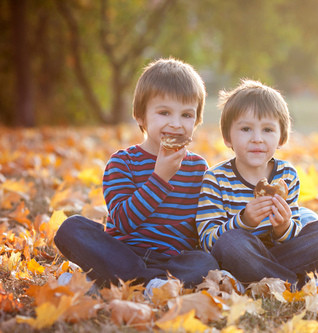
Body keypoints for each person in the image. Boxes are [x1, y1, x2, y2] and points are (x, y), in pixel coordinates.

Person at [54, 58, 219, 295]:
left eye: (187, 115)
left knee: (205, 263)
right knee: (71, 228)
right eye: (164, 112)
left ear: (197, 120)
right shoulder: (122, 162)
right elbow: (122, 220)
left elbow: (199, 228)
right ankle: (148, 284)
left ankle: (103, 282)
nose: (176, 124)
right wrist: (160, 178)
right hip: (122, 252)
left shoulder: (198, 168)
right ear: (140, 117)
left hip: (170, 260)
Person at [196, 80, 318, 288]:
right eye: (246, 129)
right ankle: (297, 282)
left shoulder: (287, 176)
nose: (257, 138)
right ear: (228, 137)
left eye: (267, 130)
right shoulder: (216, 179)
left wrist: (283, 227)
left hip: (282, 254)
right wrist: (244, 221)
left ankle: (267, 281)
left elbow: (293, 239)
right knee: (232, 243)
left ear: (281, 137)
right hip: (242, 256)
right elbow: (208, 242)